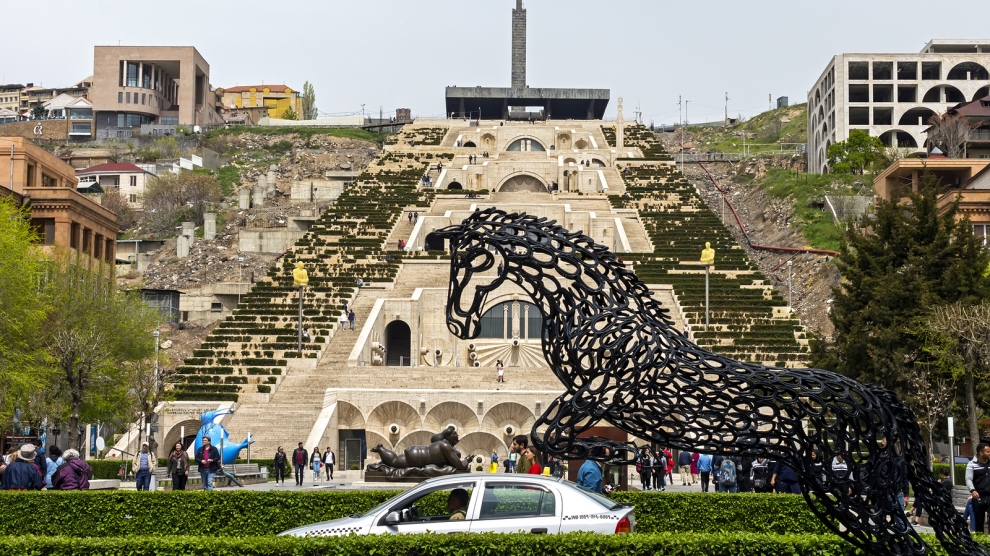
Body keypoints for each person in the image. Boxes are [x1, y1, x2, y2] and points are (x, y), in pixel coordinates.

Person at [966, 442, 990, 532]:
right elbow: (968, 479)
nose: (989, 453)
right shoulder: (971, 464)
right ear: (981, 453)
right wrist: (973, 490)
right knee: (979, 523)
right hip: (979, 497)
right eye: (988, 452)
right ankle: (981, 543)